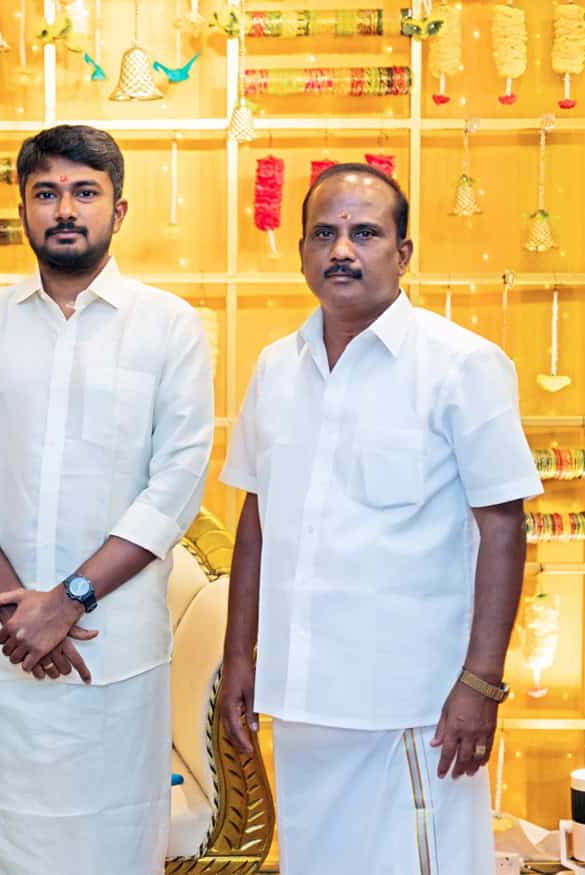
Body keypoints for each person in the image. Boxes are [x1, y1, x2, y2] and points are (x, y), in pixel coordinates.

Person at [218, 164, 541, 875]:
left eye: (364, 232)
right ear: (300, 250)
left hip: (415, 706)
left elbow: (501, 525)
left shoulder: (460, 365)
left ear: (402, 253)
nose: (342, 250)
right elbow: (254, 522)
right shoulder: (276, 367)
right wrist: (239, 656)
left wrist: (479, 683)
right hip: (301, 699)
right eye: (324, 233)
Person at [0, 124, 214, 875]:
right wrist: (21, 610)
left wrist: (69, 600)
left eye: (85, 192)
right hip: (1, 643)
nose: (64, 210)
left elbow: (174, 483)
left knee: (105, 846)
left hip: (110, 651)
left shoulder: (168, 327)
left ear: (118, 210)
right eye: (45, 193)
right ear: (22, 206)